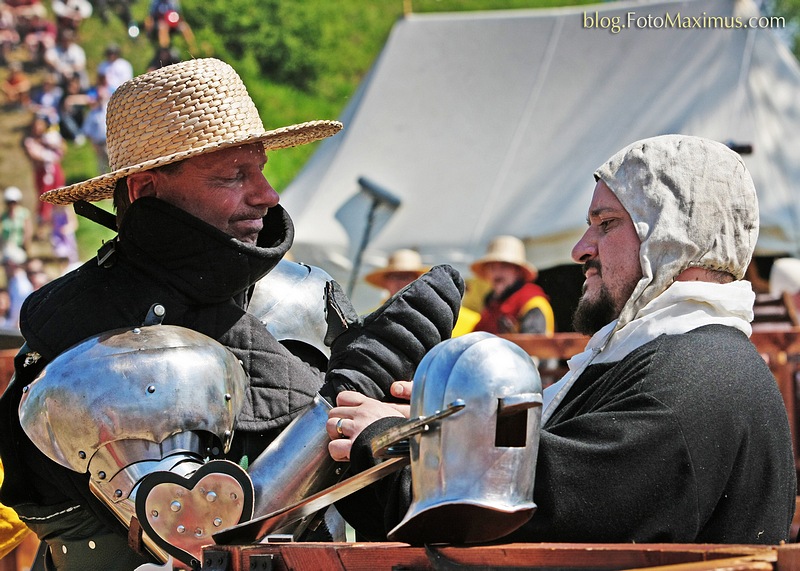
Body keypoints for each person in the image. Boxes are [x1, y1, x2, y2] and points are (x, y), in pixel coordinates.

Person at [0, 57, 463, 570]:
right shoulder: (86, 328)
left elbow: (383, 500)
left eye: (260, 169)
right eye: (231, 175)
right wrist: (356, 382)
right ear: (146, 190)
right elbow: (198, 541)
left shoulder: (308, 295)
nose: (267, 195)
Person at [327, 134, 797, 545]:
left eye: (607, 223)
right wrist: (438, 419)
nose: (581, 249)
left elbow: (549, 502)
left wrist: (394, 440)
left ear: (673, 238)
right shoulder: (669, 355)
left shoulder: (699, 374)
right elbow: (548, 448)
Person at [366, 248, 480, 336]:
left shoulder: (467, 320)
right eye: (394, 276)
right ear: (385, 282)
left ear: (419, 281)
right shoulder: (369, 321)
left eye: (406, 276)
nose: (399, 282)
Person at [470, 235, 554, 335]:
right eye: (492, 267)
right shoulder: (491, 304)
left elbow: (535, 346)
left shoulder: (532, 303)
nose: (497, 272)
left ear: (518, 271)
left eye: (504, 266)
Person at [0, 186, 33, 255]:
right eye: (9, 202)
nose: (12, 205)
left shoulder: (24, 213)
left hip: (20, 247)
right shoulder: (4, 215)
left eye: (14, 202)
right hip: (6, 247)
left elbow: (28, 231)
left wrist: (25, 245)